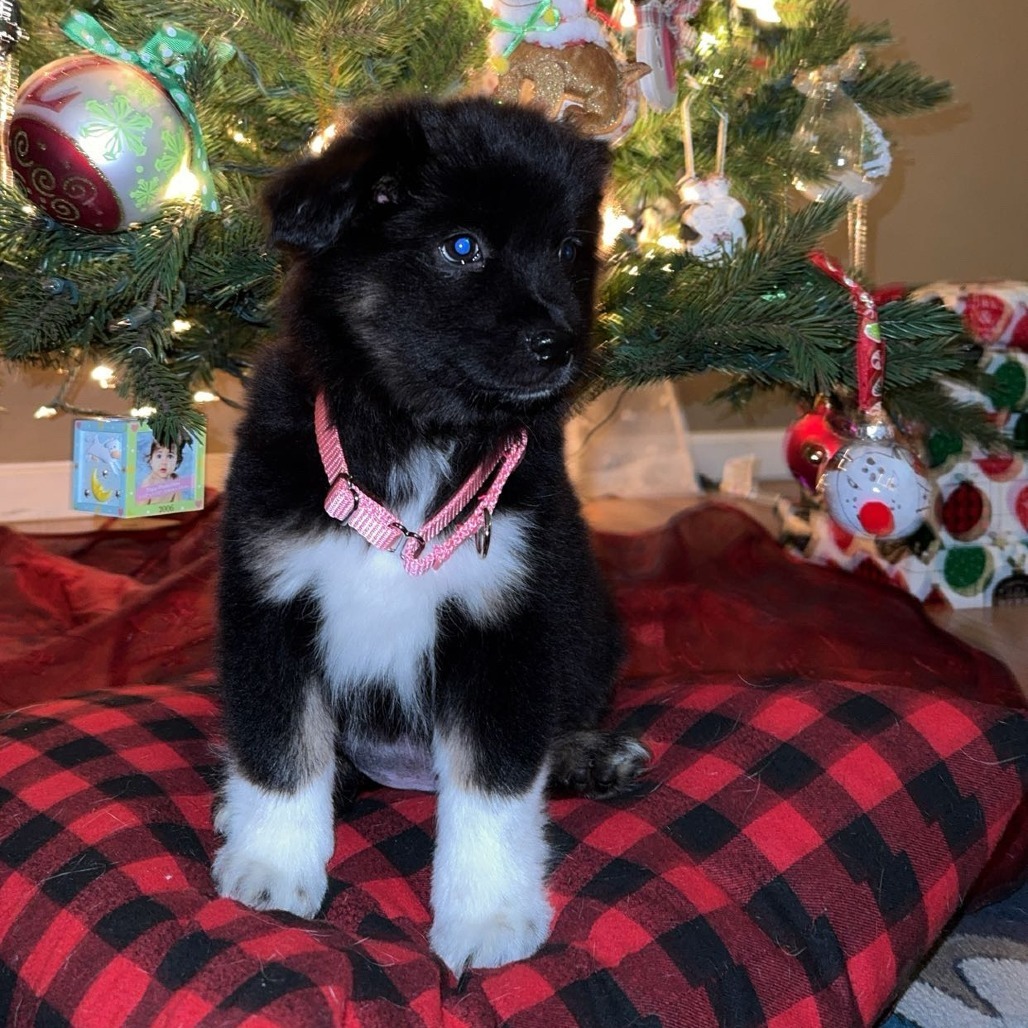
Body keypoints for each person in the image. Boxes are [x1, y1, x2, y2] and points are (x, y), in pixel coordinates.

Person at [139, 439, 183, 504]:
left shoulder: (175, 479)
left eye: (170, 456)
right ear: (151, 461)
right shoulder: (148, 484)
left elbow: (178, 504)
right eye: (159, 456)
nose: (164, 462)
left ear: (176, 462)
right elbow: (140, 509)